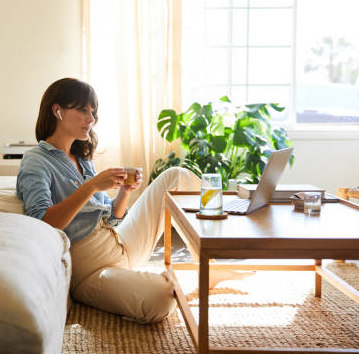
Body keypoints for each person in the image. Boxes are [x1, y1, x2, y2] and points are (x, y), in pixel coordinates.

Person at [16, 78, 242, 323]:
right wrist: (92, 186)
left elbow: (111, 217)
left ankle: (211, 251)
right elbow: (42, 223)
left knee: (175, 176)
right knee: (161, 297)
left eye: (93, 112)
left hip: (120, 242)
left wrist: (125, 192)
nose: (91, 119)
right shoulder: (37, 160)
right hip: (91, 270)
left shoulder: (82, 158)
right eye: (83, 110)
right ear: (57, 110)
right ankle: (141, 286)